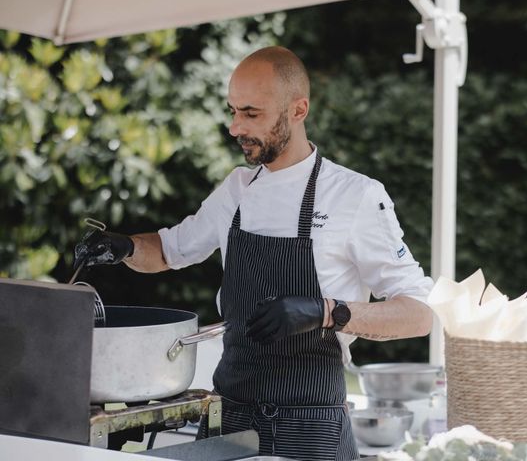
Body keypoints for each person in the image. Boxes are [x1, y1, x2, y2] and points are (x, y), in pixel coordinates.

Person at [73, 46, 434, 461]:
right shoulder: (237, 189)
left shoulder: (356, 196)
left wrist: (327, 311)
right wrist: (124, 247)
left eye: (251, 113)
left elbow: (418, 314)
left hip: (311, 427)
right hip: (231, 420)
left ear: (298, 110)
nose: (234, 127)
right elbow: (169, 251)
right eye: (232, 111)